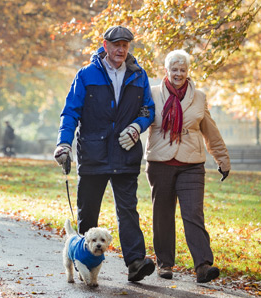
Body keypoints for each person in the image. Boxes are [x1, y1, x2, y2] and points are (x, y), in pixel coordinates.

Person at [54, 25, 156, 282]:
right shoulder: (86, 75)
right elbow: (70, 112)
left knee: (128, 210)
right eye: (116, 45)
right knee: (88, 212)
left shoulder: (138, 75)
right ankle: (83, 260)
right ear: (105, 45)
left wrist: (136, 127)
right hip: (93, 154)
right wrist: (63, 144)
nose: (121, 49)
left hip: (125, 153)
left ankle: (135, 263)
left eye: (125, 45)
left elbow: (148, 110)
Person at [144, 49, 231, 283]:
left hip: (192, 164)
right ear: (167, 71)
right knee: (162, 214)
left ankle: (203, 265)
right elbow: (140, 121)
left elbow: (210, 131)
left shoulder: (199, 97)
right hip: (160, 163)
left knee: (193, 213)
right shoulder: (152, 94)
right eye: (174, 69)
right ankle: (164, 264)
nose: (178, 74)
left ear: (188, 71)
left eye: (182, 70)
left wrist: (222, 159)